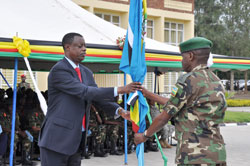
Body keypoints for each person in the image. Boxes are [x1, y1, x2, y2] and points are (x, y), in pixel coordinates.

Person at [38, 32, 141, 166]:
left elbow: (97, 97)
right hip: (57, 139)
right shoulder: (59, 70)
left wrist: (120, 111)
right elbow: (84, 91)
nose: (84, 49)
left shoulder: (86, 72)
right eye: (79, 46)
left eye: (85, 46)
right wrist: (120, 89)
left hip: (76, 139)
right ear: (67, 47)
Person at [134, 37, 227, 166]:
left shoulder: (188, 80)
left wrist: (144, 135)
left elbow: (164, 117)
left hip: (194, 155)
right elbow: (177, 104)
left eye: (182, 57)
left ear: (190, 56)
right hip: (217, 153)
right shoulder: (216, 80)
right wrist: (148, 94)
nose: (181, 61)